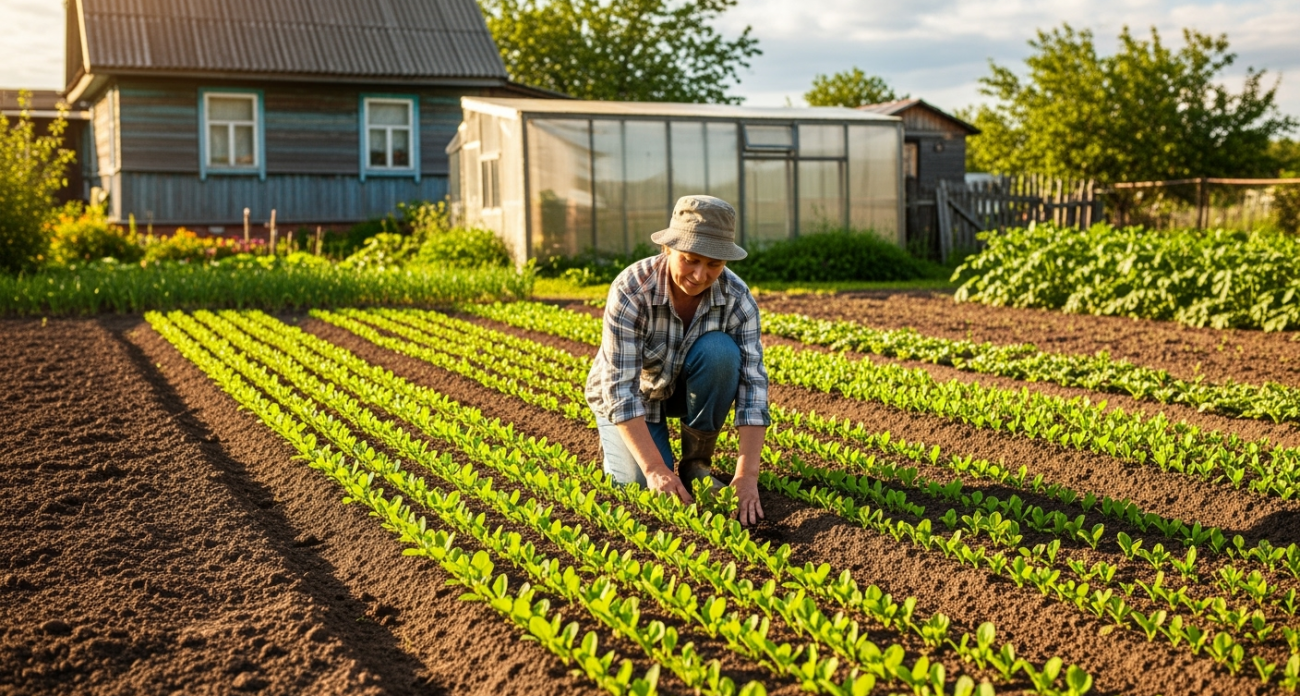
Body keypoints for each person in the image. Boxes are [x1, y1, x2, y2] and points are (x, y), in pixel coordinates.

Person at [585, 194, 769, 526]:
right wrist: (655, 469)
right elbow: (620, 391)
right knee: (638, 486)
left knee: (720, 352)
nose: (700, 275)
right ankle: (621, 443)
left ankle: (695, 464)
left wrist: (747, 476)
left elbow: (752, 388)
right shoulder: (632, 290)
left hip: (685, 389)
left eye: (714, 264)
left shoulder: (737, 297)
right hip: (636, 397)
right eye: (690, 260)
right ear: (667, 249)